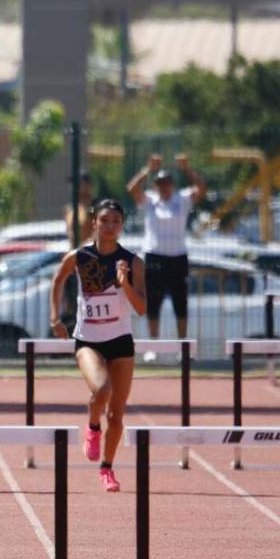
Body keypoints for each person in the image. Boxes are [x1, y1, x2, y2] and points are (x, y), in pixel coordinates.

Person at [49, 199, 148, 493]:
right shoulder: (79, 256)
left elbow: (141, 308)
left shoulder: (133, 261)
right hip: (88, 339)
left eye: (116, 221)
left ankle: (107, 468)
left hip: (120, 340)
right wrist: (56, 317)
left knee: (117, 413)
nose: (110, 226)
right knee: (102, 390)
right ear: (94, 222)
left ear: (122, 225)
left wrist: (124, 283)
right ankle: (93, 427)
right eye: (105, 220)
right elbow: (58, 279)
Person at [127, 153, 205, 358]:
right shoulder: (151, 201)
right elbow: (132, 188)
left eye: (168, 183)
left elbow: (202, 188)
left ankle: (182, 348)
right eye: (160, 183)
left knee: (181, 302)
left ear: (173, 185)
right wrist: (148, 168)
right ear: (155, 186)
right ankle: (153, 346)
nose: (164, 187)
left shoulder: (183, 198)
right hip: (155, 257)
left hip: (178, 257)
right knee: (153, 302)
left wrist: (187, 169)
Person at [64, 171, 95, 244]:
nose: (73, 186)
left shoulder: (94, 206)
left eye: (78, 183)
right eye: (72, 183)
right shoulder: (68, 209)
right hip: (74, 252)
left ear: (88, 185)